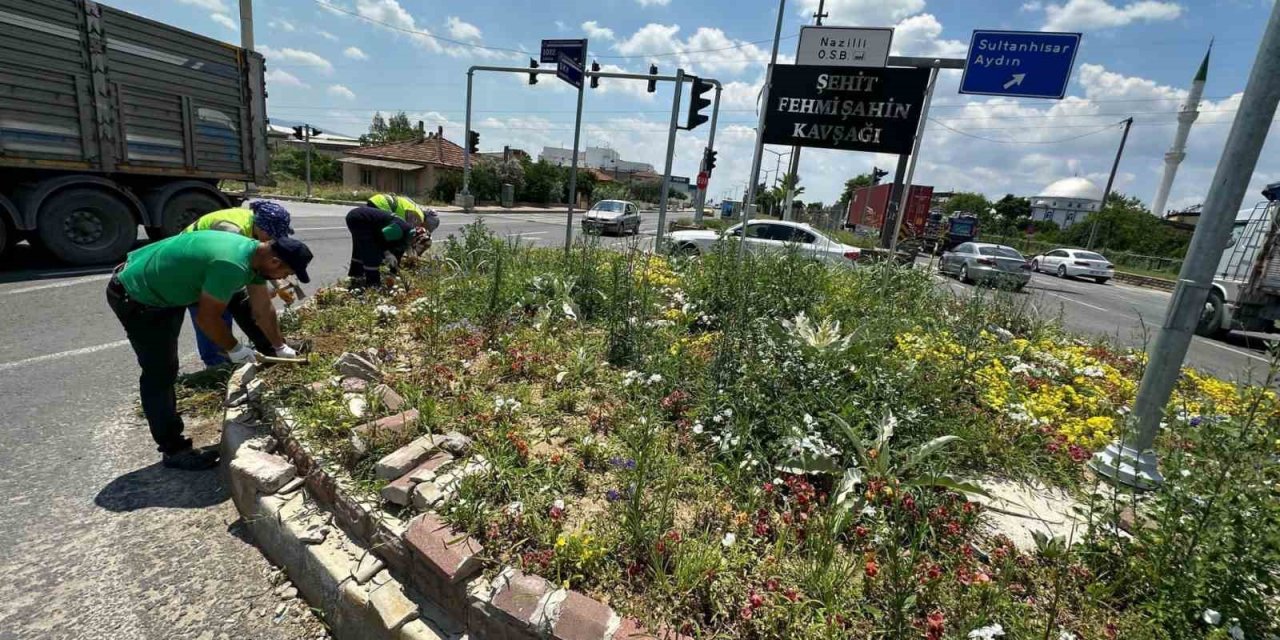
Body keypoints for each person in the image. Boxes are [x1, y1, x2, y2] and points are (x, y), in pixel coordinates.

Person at [106, 232, 313, 470]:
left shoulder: (254, 257)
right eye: (286, 273)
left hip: (166, 282)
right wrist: (234, 348)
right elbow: (207, 318)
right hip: (139, 295)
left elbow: (263, 309)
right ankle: (173, 450)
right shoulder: (230, 264)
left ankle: (270, 354)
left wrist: (280, 346)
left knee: (239, 298)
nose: (285, 278)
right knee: (160, 372)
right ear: (275, 262)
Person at [182, 201, 297, 367]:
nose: (273, 241)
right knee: (214, 312)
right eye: (272, 236)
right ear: (263, 229)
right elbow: (232, 264)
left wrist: (278, 285)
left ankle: (270, 349)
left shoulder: (255, 224)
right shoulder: (232, 232)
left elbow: (263, 258)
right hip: (193, 267)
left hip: (214, 262)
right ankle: (217, 364)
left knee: (245, 304)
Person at [345, 204, 415, 288]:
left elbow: (398, 255)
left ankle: (356, 277)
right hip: (360, 219)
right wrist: (387, 253)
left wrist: (392, 274)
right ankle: (373, 285)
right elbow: (379, 237)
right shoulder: (400, 229)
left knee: (359, 250)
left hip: (362, 220)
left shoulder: (406, 238)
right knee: (371, 253)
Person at [367, 193, 440, 234]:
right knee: (384, 235)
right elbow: (407, 232)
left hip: (377, 200)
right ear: (427, 223)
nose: (424, 230)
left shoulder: (416, 207)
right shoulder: (419, 217)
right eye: (428, 228)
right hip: (382, 206)